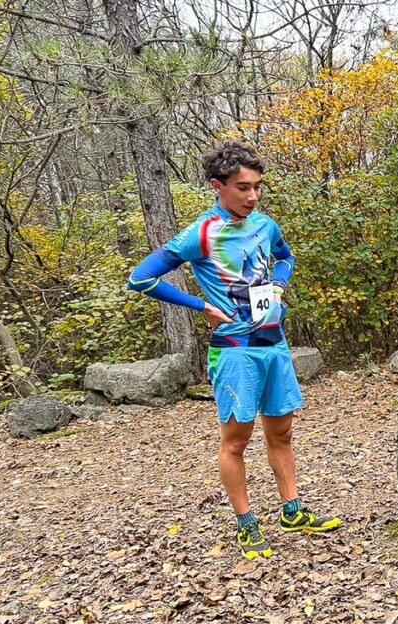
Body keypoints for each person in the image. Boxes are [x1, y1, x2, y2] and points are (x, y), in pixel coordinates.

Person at [128, 140, 340, 560]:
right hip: (234, 350)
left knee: (281, 432)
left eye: (258, 186)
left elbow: (285, 257)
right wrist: (201, 306)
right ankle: (246, 523)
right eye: (243, 187)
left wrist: (279, 285)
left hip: (273, 342)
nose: (253, 196)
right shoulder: (202, 232)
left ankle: (292, 511)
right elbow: (141, 278)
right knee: (235, 442)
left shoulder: (265, 224)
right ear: (217, 186)